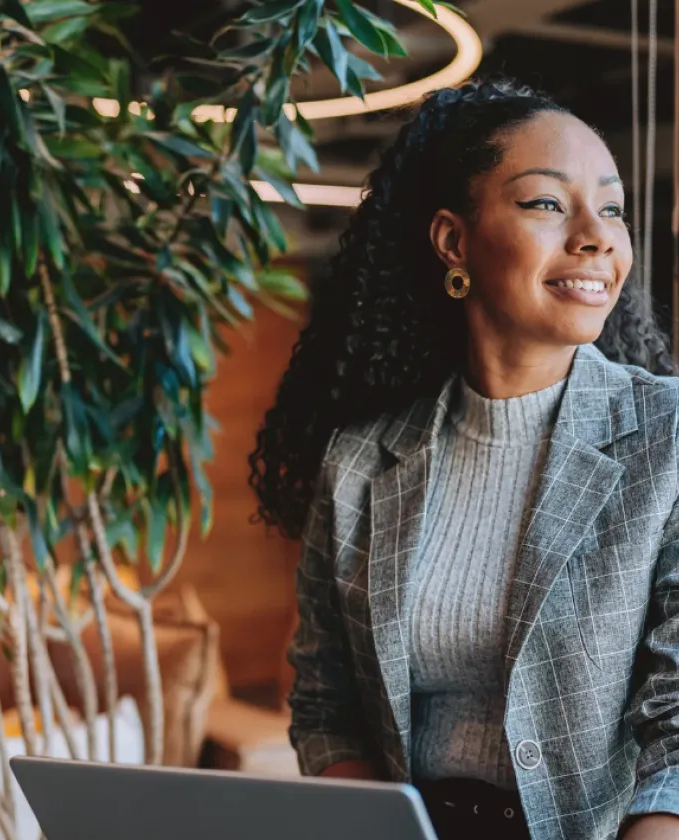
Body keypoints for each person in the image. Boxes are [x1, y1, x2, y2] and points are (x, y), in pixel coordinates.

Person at [248, 78, 679, 840]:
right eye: (547, 203)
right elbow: (327, 706)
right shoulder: (359, 461)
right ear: (455, 241)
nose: (596, 236)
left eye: (611, 207)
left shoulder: (668, 439)